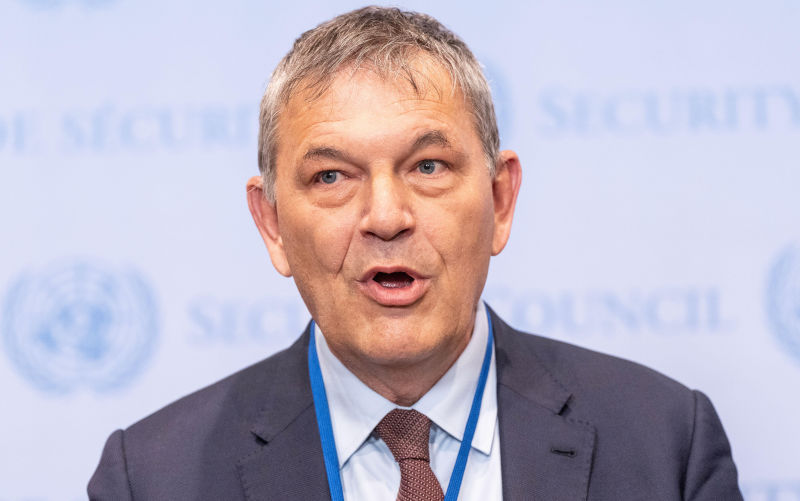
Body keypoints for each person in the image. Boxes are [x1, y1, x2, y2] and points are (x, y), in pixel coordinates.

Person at [88, 6, 743, 500]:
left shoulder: (664, 445)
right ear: (273, 225)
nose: (386, 217)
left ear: (500, 199)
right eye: (331, 176)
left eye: (428, 165)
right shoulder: (150, 477)